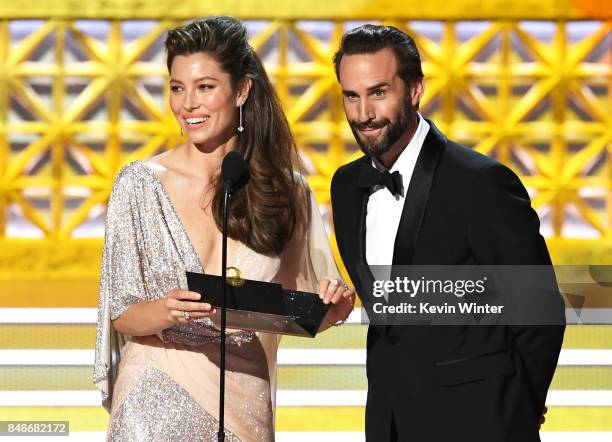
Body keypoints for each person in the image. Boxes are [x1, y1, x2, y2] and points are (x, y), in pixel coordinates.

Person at [94, 16, 354, 442]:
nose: (187, 104)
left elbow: (294, 307)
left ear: (242, 90)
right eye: (177, 88)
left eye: (204, 87)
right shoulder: (138, 184)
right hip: (153, 400)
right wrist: (167, 310)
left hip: (242, 402)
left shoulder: (286, 191)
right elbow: (120, 313)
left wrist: (331, 310)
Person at [330, 24, 565, 441]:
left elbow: (539, 311)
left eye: (379, 92)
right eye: (352, 95)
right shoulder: (347, 186)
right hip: (389, 422)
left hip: (481, 422)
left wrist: (517, 410)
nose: (363, 113)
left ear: (415, 89)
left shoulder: (481, 182)